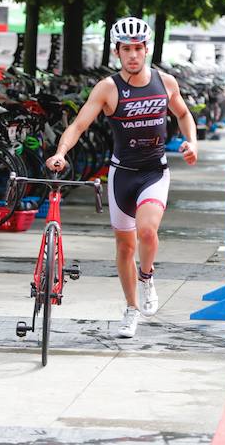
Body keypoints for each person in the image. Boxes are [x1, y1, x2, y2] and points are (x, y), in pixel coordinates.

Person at [45, 17, 198, 339]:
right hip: (122, 176)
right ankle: (131, 309)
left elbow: (183, 114)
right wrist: (61, 152)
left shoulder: (166, 82)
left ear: (146, 50)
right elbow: (78, 126)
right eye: (126, 49)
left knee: (147, 231)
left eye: (138, 49)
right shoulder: (108, 88)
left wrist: (191, 142)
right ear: (117, 52)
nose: (133, 55)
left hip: (154, 172)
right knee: (125, 246)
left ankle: (147, 276)